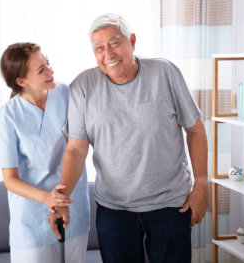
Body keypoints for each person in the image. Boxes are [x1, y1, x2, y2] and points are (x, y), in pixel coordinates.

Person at [49, 13, 209, 263]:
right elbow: (76, 150)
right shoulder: (83, 86)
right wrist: (63, 197)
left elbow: (196, 130)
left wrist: (201, 183)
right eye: (99, 48)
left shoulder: (164, 72)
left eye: (114, 43)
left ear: (132, 41)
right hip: (114, 210)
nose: (108, 54)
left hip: (170, 204)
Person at [0, 42, 89, 263]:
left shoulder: (66, 94)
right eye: (41, 70)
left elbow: (80, 146)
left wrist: (61, 201)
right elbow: (10, 180)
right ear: (21, 81)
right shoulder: (5, 119)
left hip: (73, 210)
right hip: (31, 220)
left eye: (48, 63)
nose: (51, 72)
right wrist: (48, 199)